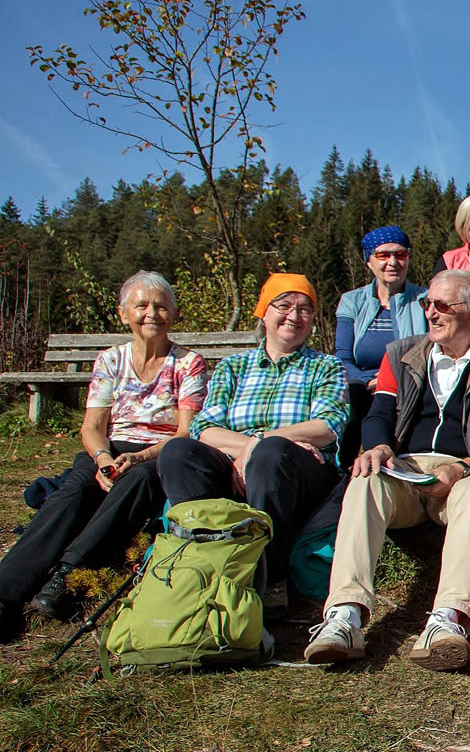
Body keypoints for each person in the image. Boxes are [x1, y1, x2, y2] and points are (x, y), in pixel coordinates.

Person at [304, 271, 470, 671]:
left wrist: (463, 467)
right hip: (405, 468)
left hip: (466, 470)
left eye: (442, 305)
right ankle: (345, 614)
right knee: (365, 477)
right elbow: (379, 413)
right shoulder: (400, 354)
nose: (431, 313)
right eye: (427, 304)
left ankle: (449, 619)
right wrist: (380, 447)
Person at [0, 272, 207, 634]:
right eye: (141, 305)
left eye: (161, 306)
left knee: (140, 481)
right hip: (109, 450)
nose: (151, 314)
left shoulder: (189, 363)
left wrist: (140, 458)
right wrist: (103, 460)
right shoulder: (111, 360)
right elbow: (93, 427)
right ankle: (5, 595)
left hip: (159, 454)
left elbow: (186, 432)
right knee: (74, 492)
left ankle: (67, 573)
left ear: (173, 314)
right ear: (123, 313)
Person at [157, 274, 349, 613]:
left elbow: (327, 426)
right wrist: (248, 447)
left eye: (305, 309)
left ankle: (270, 577)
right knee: (177, 452)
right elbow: (204, 427)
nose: (294, 315)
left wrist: (260, 443)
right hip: (235, 462)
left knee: (271, 453)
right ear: (264, 312)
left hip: (300, 471)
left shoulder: (326, 367)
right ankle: (202, 565)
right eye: (284, 305)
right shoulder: (233, 367)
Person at [335, 225, 427, 464]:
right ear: (369, 261)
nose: (393, 262)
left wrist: (387, 380)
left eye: (401, 254)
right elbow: (343, 356)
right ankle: (344, 469)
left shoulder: (425, 301)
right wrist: (369, 381)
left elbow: (428, 352)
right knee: (353, 397)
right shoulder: (351, 301)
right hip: (362, 385)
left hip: (407, 382)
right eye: (384, 255)